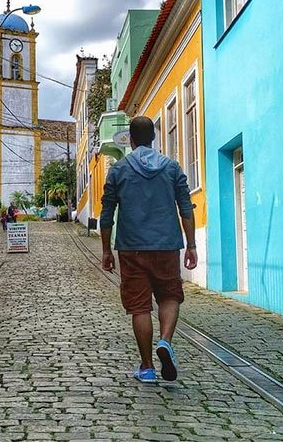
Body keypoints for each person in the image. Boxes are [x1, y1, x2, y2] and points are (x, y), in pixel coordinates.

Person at [100, 116, 197, 383]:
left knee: (140, 308)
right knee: (169, 297)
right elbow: (186, 208)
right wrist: (191, 245)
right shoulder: (172, 168)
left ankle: (147, 367)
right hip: (167, 246)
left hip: (132, 249)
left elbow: (107, 212)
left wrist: (106, 250)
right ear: (153, 139)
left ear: (129, 140)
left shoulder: (118, 170)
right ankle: (165, 341)